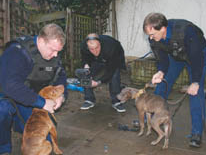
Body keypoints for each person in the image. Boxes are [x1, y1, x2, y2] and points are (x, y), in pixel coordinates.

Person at [0, 23, 68, 154]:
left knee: (44, 147)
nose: (55, 55)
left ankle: (20, 126)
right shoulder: (17, 52)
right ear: (41, 41)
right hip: (11, 98)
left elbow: (61, 76)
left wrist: (61, 96)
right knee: (1, 110)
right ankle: (3, 148)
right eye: (53, 50)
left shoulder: (53, 56)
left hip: (32, 101)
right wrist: (42, 103)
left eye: (58, 51)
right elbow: (10, 85)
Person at [143, 13, 206, 148]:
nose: (150, 38)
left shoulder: (188, 32)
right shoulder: (154, 38)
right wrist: (160, 71)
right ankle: (152, 119)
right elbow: (162, 59)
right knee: (162, 85)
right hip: (176, 54)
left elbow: (197, 59)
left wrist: (195, 81)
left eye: (152, 34)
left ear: (163, 29)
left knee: (196, 93)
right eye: (148, 35)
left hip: (195, 55)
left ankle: (197, 133)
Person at [80, 33, 126, 113]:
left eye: (97, 48)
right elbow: (85, 58)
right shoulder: (83, 46)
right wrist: (86, 65)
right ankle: (89, 99)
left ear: (100, 43)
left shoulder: (111, 47)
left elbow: (110, 70)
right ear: (87, 47)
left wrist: (98, 82)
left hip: (114, 56)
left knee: (114, 75)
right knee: (85, 72)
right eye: (92, 49)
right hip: (96, 60)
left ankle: (116, 100)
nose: (95, 51)